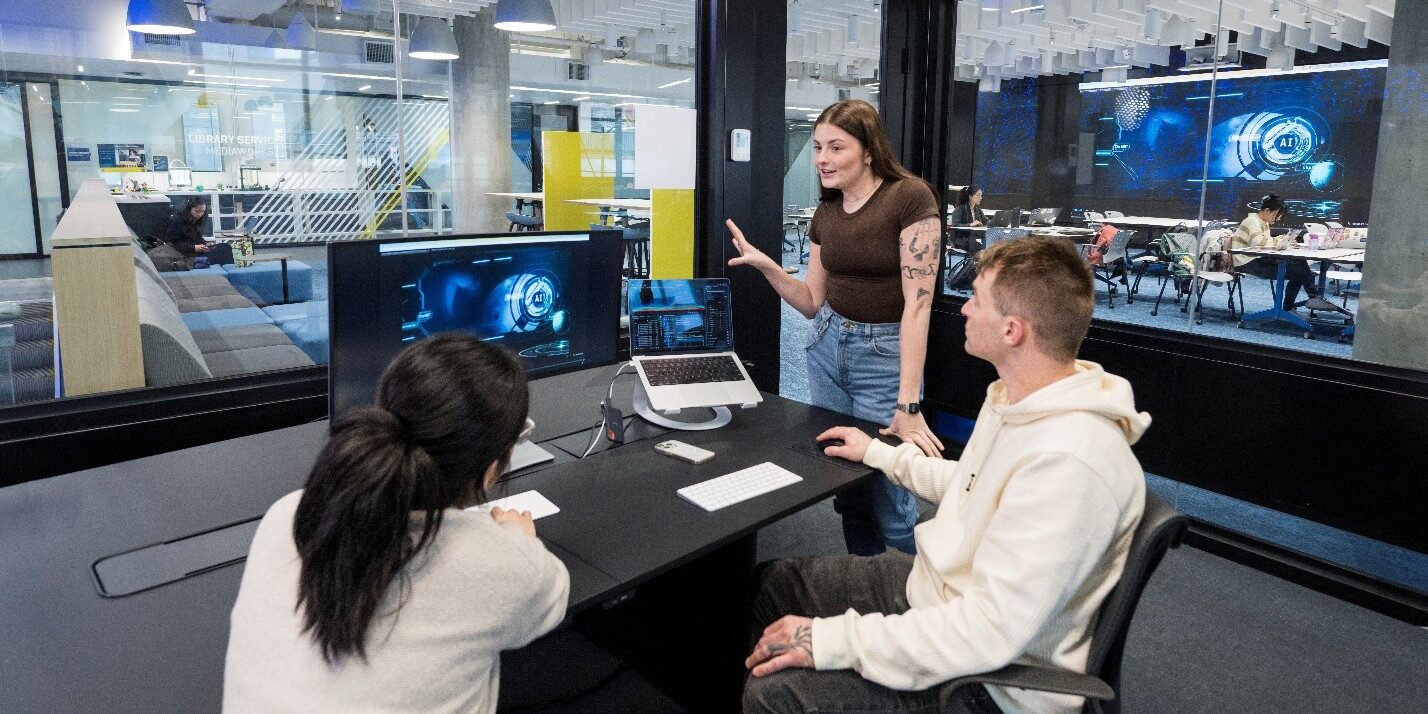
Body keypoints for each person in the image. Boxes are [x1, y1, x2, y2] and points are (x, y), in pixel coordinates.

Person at [742, 237, 1149, 714]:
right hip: (941, 593)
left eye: (975, 298)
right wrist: (879, 453)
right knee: (772, 584)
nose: (964, 309)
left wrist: (829, 640)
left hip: (988, 682)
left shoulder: (1071, 462)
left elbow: (986, 631)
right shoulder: (1022, 398)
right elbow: (975, 485)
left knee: (775, 698)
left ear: (1013, 331)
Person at [224, 334, 569, 713]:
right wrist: (517, 538)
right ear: (491, 469)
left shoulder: (287, 514)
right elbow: (551, 601)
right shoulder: (503, 564)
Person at [725, 98, 944, 557]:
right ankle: (860, 582)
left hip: (883, 355)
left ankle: (910, 598)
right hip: (826, 347)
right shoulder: (827, 211)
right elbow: (810, 301)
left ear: (869, 151)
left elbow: (918, 307)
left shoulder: (908, 197)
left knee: (890, 490)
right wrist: (768, 266)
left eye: (836, 148)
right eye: (819, 147)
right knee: (844, 484)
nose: (822, 159)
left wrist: (908, 402)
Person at [1227, 194, 1339, 313]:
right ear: (1266, 210)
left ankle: (1302, 302)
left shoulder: (1262, 222)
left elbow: (1264, 242)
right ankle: (1305, 300)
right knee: (1301, 272)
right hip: (1247, 262)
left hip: (1256, 259)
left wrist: (1282, 240)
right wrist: (1282, 240)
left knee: (1300, 266)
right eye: (1276, 215)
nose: (1277, 219)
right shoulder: (1252, 221)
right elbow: (1258, 242)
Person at [164, 197, 233, 267]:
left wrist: (206, 244)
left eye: (202, 211)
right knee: (224, 251)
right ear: (189, 209)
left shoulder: (194, 220)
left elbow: (198, 238)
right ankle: (227, 272)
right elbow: (172, 244)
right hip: (186, 255)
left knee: (226, 246)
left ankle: (226, 272)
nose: (200, 214)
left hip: (194, 251)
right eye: (197, 211)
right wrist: (194, 247)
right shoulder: (178, 221)